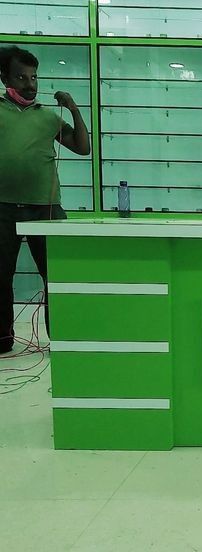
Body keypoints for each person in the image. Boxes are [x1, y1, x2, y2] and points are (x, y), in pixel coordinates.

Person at [0, 46, 90, 354]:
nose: (30, 84)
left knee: (58, 274)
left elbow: (82, 147)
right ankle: (2, 340)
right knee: (0, 276)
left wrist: (74, 109)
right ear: (5, 78)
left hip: (46, 208)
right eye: (21, 77)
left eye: (34, 77)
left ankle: (62, 337)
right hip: (3, 208)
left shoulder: (49, 116)